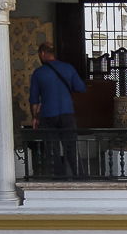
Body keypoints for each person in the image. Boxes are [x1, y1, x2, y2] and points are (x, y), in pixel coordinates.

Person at [28, 41, 85, 177]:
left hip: (48, 115)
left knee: (52, 149)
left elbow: (34, 99)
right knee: (71, 147)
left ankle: (59, 179)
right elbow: (81, 88)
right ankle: (80, 178)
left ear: (42, 54)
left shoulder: (38, 73)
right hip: (67, 113)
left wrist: (35, 118)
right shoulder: (68, 68)